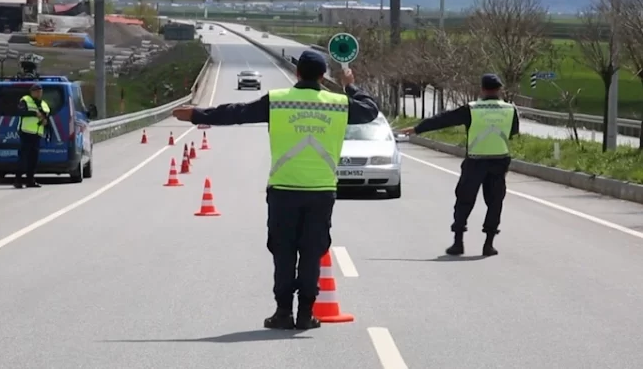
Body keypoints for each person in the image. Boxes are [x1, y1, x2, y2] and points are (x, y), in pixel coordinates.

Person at [172, 50, 379, 330]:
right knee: (311, 251)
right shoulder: (339, 104)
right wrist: (349, 84)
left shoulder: (279, 101)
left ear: (297, 73)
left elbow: (237, 113)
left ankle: (283, 312)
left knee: (283, 252)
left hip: (283, 190)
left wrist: (197, 115)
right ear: (322, 76)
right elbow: (370, 110)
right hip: (321, 191)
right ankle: (306, 314)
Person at [399, 74, 519, 257]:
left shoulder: (472, 109)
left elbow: (444, 120)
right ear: (499, 90)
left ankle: (458, 242)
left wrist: (417, 129)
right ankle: (488, 244)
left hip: (475, 161)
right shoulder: (511, 109)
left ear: (482, 89)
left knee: (464, 200)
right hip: (499, 161)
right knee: (495, 203)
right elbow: (513, 131)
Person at [14, 83, 50, 189]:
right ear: (32, 92)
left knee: (33, 158)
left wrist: (45, 121)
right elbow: (21, 112)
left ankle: (30, 180)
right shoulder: (25, 100)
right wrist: (35, 113)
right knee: (23, 157)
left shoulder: (43, 104)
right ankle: (18, 180)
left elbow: (47, 116)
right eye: (37, 91)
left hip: (37, 133)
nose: (39, 93)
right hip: (26, 132)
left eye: (40, 91)